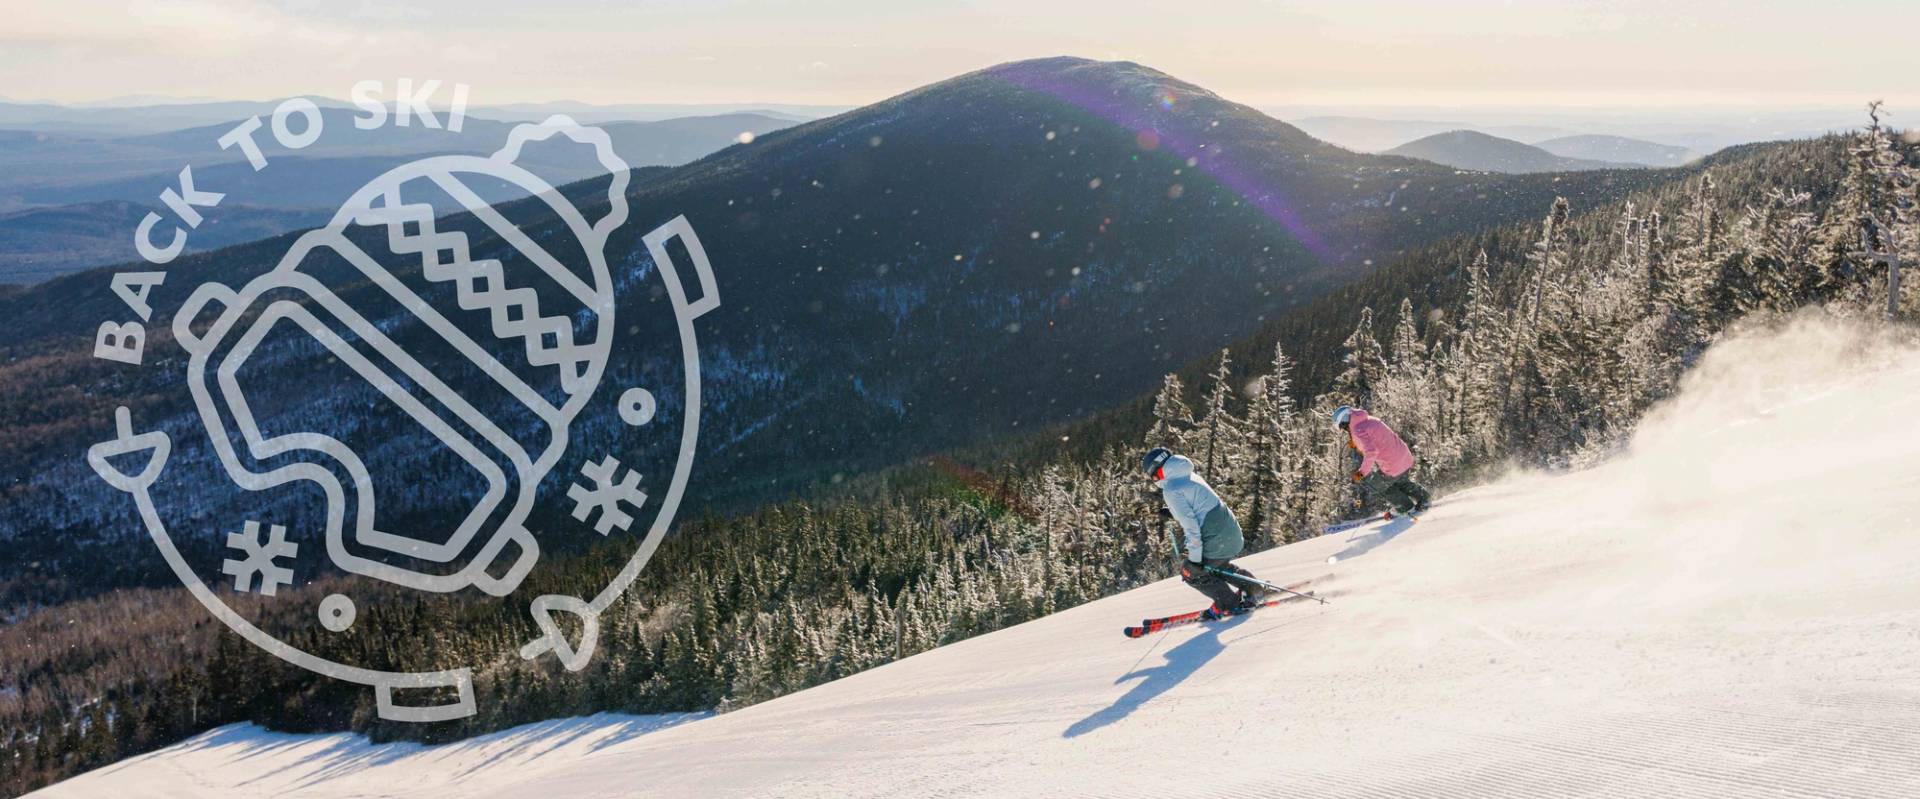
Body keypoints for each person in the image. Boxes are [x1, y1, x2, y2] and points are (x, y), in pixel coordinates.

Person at [1141, 447, 1268, 618]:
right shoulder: (1189, 474)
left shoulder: (1170, 489)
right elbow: (1199, 506)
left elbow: (1191, 527)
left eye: (1153, 477)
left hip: (1218, 540)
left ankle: (1229, 604)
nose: (1154, 480)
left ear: (1158, 471)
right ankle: (1254, 588)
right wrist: (1174, 511)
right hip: (1233, 535)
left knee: (1191, 572)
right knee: (1216, 567)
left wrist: (1194, 560)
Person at [1334, 405, 1432, 517]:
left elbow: (1371, 452)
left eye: (1343, 426)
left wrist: (1361, 473)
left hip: (1392, 463)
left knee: (1376, 485)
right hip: (1404, 455)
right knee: (1399, 480)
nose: (1345, 429)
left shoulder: (1357, 429)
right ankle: (1424, 497)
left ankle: (1405, 507)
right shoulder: (1370, 419)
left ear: (1345, 420)